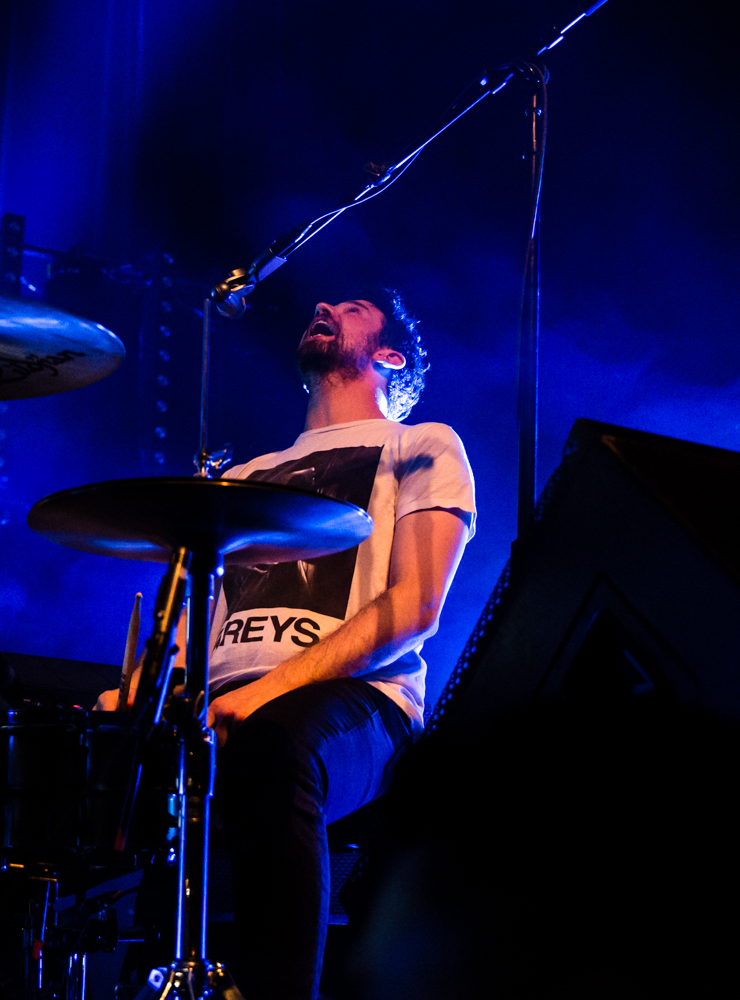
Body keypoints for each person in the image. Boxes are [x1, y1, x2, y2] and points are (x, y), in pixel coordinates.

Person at [102, 288, 475, 999]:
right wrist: (140, 695)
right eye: (326, 302)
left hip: (361, 701)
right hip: (221, 706)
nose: (327, 306)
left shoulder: (421, 445)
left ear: (391, 355)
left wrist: (265, 691)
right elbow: (186, 634)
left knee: (276, 745)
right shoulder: (240, 478)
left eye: (356, 307)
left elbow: (415, 607)